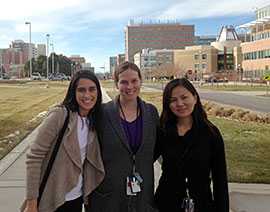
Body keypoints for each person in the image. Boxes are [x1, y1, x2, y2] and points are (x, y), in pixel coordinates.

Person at [21, 70, 105, 212]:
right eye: (81, 90)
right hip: (52, 199)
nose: (87, 95)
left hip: (76, 198)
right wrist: (31, 203)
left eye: (92, 89)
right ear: (73, 92)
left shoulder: (93, 120)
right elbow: (34, 157)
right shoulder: (60, 115)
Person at [86, 61, 159, 212]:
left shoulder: (151, 112)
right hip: (109, 194)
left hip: (141, 193)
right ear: (116, 84)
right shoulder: (102, 113)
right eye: (124, 82)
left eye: (134, 81)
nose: (130, 86)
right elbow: (90, 152)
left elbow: (157, 149)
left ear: (140, 81)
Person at [154, 78, 229, 212]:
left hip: (202, 204)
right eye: (173, 100)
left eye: (184, 97)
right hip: (166, 203)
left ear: (194, 97)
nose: (180, 103)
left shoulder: (211, 133)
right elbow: (144, 159)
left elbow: (220, 179)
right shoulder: (162, 131)